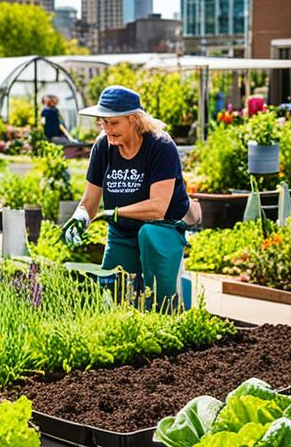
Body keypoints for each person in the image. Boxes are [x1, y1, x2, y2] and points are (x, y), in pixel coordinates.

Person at [62, 85, 199, 308]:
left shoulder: (161, 146)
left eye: (113, 123)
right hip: (122, 231)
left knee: (160, 302)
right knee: (113, 297)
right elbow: (89, 201)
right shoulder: (103, 148)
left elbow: (158, 207)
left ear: (135, 119)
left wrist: (114, 212)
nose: (106, 129)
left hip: (161, 230)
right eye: (102, 122)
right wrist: (81, 217)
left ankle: (172, 320)